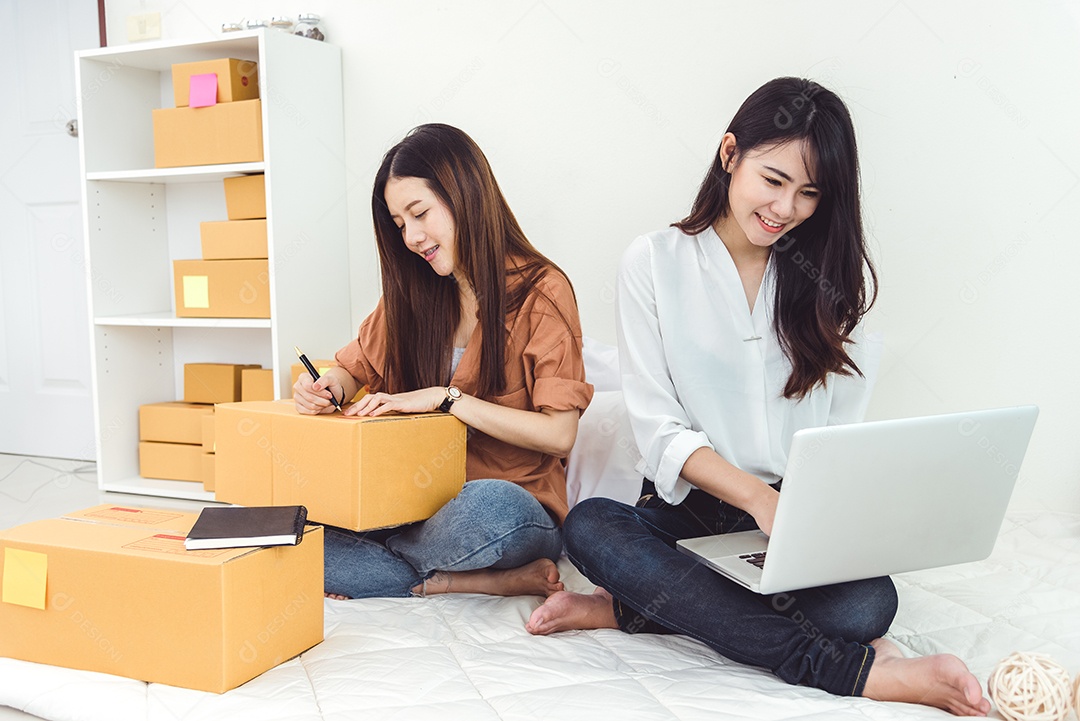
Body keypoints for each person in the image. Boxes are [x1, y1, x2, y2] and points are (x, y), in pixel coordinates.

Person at [526, 78, 991, 717]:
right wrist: (753, 497)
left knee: (867, 604)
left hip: (787, 523)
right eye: (773, 180)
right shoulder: (653, 262)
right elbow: (660, 429)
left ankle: (639, 608)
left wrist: (820, 517)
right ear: (729, 155)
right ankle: (850, 672)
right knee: (591, 530)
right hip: (684, 511)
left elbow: (833, 435)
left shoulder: (818, 279)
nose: (786, 208)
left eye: (808, 193)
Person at [294, 123, 593, 600]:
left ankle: (376, 564)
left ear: (464, 194)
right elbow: (354, 369)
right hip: (411, 505)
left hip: (509, 507)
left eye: (419, 214)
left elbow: (560, 432)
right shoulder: (413, 294)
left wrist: (447, 399)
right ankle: (462, 581)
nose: (411, 237)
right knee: (283, 526)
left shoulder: (543, 290)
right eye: (399, 225)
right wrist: (326, 387)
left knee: (491, 510)